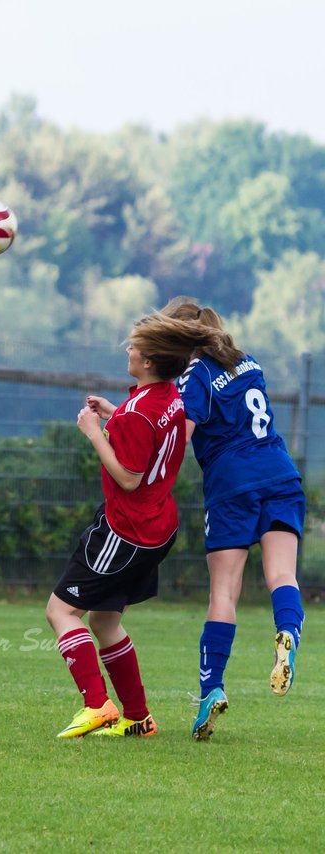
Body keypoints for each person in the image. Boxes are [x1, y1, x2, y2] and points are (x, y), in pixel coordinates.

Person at [46, 309, 224, 739]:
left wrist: (94, 431)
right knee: (105, 621)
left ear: (147, 362)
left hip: (125, 530)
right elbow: (150, 433)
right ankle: (138, 718)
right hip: (156, 528)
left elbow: (128, 476)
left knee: (61, 612)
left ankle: (97, 705)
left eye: (134, 347)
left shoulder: (136, 413)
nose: (128, 350)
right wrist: (113, 413)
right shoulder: (168, 398)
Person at [160, 297, 306, 742]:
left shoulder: (195, 375)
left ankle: (211, 691)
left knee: (224, 592)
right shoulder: (248, 361)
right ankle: (286, 634)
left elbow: (180, 438)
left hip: (232, 485)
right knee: (282, 573)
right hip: (281, 473)